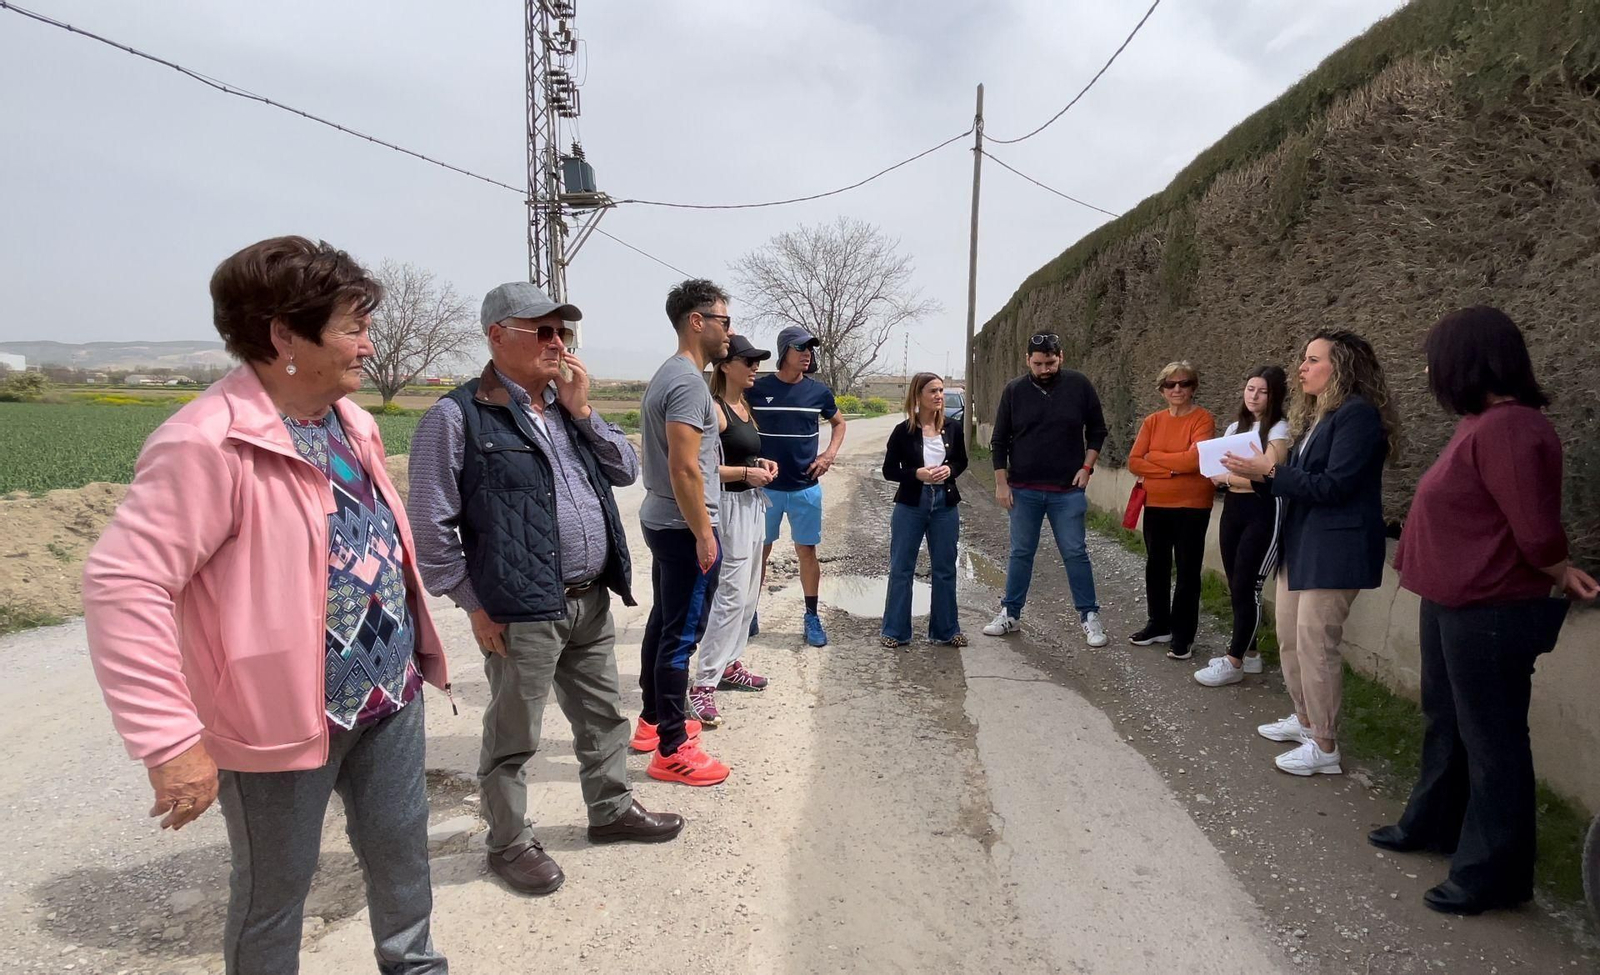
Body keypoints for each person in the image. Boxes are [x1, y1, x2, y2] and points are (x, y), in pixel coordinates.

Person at [82, 236, 450, 973]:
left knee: (404, 856)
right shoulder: (205, 442)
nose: (368, 346)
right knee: (276, 892)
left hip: (387, 695)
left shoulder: (351, 423)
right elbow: (124, 583)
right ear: (284, 334)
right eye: (353, 327)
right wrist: (168, 738)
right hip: (278, 719)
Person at [409, 281, 683, 898]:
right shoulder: (456, 418)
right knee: (515, 735)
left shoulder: (566, 408)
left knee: (604, 716)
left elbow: (625, 470)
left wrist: (585, 411)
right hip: (519, 610)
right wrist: (475, 607)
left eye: (563, 332)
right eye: (543, 330)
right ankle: (507, 841)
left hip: (590, 597)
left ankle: (610, 812)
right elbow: (429, 531)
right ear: (497, 336)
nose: (557, 343)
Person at [1376, 307, 1598, 915]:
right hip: (1454, 600)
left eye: (1434, 357)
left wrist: (1557, 568)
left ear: (1466, 360)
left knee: (1492, 740)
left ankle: (1494, 874)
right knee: (1445, 720)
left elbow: (1534, 526)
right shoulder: (1480, 424)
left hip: (1491, 606)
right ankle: (1434, 826)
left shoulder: (1510, 428)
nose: (1427, 369)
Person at [1223, 330, 1398, 776]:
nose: (1301, 367)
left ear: (1341, 367)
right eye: (1303, 359)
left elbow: (1335, 485)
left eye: (1312, 359)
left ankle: (1324, 744)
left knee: (1317, 645)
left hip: (1334, 548)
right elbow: (1300, 477)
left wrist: (1269, 472)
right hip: (1302, 544)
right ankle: (1304, 721)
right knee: (1289, 636)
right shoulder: (1323, 414)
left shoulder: (1358, 416)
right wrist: (1263, 473)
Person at [636, 278, 735, 785]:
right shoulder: (688, 382)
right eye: (723, 320)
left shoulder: (671, 375)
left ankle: (653, 723)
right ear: (697, 322)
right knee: (682, 634)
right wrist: (704, 532)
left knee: (666, 621)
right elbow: (685, 468)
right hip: (682, 524)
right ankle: (672, 748)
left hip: (665, 520)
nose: (729, 332)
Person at [983, 332, 1110, 648]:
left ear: (1061, 358)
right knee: (1021, 553)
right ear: (1028, 360)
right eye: (1038, 363)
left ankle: (1089, 616)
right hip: (1023, 489)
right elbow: (999, 441)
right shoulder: (1014, 391)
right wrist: (1001, 483)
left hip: (1067, 490)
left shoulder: (1079, 386)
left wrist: (1087, 467)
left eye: (1050, 363)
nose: (1044, 369)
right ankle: (1010, 613)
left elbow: (1097, 430)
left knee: (1075, 552)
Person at [689, 334, 778, 728]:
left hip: (752, 505)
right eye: (749, 361)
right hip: (729, 507)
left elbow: (741, 454)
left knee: (748, 595)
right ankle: (703, 683)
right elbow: (700, 467)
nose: (755, 367)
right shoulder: (716, 408)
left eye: (757, 361)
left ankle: (729, 664)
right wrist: (746, 473)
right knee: (729, 596)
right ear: (726, 365)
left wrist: (760, 462)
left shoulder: (744, 406)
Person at [750, 326, 848, 648]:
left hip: (805, 487)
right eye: (800, 347)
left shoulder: (817, 392)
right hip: (766, 489)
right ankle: (749, 612)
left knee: (806, 551)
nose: (807, 353)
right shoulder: (757, 389)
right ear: (783, 352)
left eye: (810, 348)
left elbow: (839, 423)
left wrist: (828, 456)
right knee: (759, 552)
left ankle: (811, 616)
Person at [1194, 366, 1291, 686]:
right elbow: (1215, 470)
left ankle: (1234, 661)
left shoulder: (1278, 429)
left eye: (1262, 391)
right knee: (1234, 581)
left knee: (1247, 585)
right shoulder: (1236, 427)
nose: (1254, 396)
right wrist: (1231, 478)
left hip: (1262, 510)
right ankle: (1250, 656)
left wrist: (1230, 478)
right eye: (1250, 389)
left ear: (1274, 395)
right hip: (1233, 509)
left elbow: (1267, 475)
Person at [1126, 361, 1217, 661]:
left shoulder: (1202, 418)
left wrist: (1158, 461)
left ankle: (1183, 635)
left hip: (1192, 505)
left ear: (1194, 387)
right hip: (1156, 504)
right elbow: (1135, 462)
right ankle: (1158, 624)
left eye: (1184, 383)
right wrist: (1172, 470)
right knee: (1156, 565)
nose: (1177, 389)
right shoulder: (1152, 421)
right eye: (1170, 384)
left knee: (1188, 570)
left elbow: (1195, 461)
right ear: (1162, 390)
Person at [880, 372, 969, 648]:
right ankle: (895, 631)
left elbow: (962, 461)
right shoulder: (903, 431)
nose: (939, 396)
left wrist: (949, 469)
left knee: (945, 568)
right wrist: (915, 473)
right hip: (911, 504)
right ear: (918, 396)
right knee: (902, 568)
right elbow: (888, 471)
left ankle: (945, 630)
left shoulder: (953, 428)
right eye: (933, 391)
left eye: (941, 390)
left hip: (944, 503)